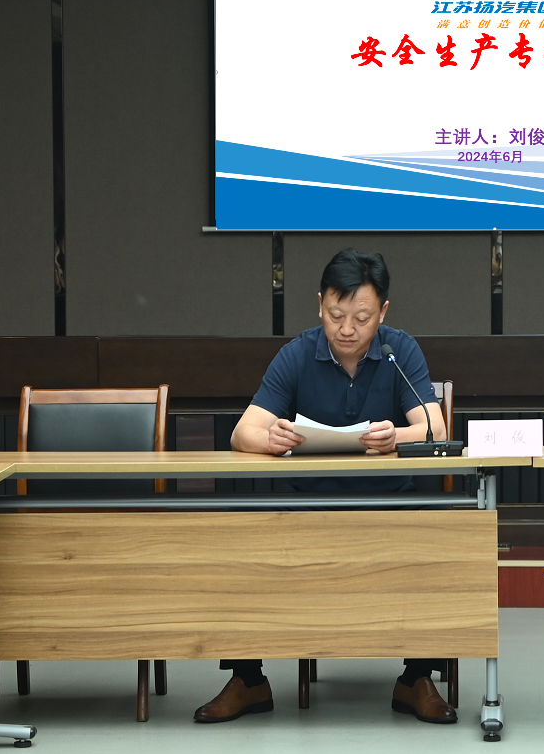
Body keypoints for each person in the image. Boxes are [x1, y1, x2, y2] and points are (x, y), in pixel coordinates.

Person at [191, 248, 455, 724]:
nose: (347, 329)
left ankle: (416, 677)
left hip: (389, 504)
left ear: (383, 313)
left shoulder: (398, 351)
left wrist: (397, 437)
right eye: (336, 315)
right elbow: (242, 432)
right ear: (319, 306)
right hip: (306, 504)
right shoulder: (298, 354)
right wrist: (269, 439)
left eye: (362, 318)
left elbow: (435, 427)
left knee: (442, 531)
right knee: (240, 530)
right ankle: (248, 679)